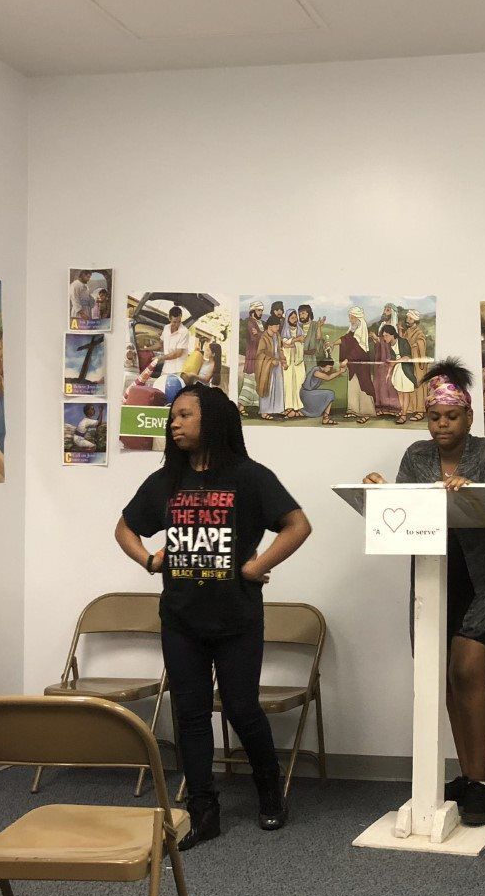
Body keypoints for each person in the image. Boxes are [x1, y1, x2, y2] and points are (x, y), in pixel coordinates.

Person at [117, 384, 312, 848]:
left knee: (242, 708)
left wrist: (257, 565)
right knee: (191, 713)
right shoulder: (167, 479)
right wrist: (148, 559)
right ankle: (203, 809)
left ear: (213, 421)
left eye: (184, 415)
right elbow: (125, 527)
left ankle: (269, 789)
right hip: (181, 618)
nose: (174, 423)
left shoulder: (248, 477)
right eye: (173, 416)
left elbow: (297, 524)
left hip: (236, 619)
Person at [363, 359, 485, 825]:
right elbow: (407, 510)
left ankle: (481, 782)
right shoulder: (416, 454)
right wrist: (383, 491)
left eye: (451, 417)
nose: (442, 424)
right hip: (434, 578)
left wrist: (468, 489)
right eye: (434, 417)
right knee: (443, 675)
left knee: (468, 672)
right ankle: (465, 776)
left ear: (469, 417)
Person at [337, 307, 377, 422]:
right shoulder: (352, 331)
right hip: (352, 364)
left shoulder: (361, 332)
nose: (350, 320)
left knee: (363, 387)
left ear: (358, 318)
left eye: (352, 317)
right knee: (353, 386)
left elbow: (358, 349)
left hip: (361, 365)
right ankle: (352, 410)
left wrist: (346, 360)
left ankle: (366, 412)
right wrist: (333, 343)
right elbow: (345, 340)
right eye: (349, 317)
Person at [256, 316, 286, 421]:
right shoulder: (263, 338)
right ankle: (264, 412)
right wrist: (270, 360)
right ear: (270, 326)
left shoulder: (277, 335)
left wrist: (283, 361)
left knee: (278, 387)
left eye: (278, 325)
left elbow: (280, 350)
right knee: (267, 387)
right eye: (276, 326)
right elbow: (259, 354)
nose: (278, 327)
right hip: (267, 367)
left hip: (277, 366)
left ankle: (277, 409)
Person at [300, 357, 345, 425]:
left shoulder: (319, 370)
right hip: (307, 394)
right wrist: (340, 372)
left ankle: (324, 417)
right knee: (330, 394)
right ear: (325, 365)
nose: (330, 369)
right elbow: (328, 378)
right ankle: (325, 418)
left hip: (308, 393)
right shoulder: (316, 371)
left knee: (328, 393)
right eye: (329, 367)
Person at [281, 308, 306, 417]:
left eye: (296, 317)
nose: (295, 319)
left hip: (298, 361)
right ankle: (288, 407)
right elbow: (284, 343)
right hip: (288, 361)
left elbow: (302, 340)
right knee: (288, 383)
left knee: (299, 382)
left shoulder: (300, 329)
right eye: (292, 318)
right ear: (288, 319)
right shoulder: (284, 330)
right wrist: (295, 340)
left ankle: (298, 407)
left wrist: (292, 341)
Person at [158, 305, 191, 378]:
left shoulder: (184, 332)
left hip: (177, 370)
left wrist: (161, 358)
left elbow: (178, 353)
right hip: (166, 368)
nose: (177, 324)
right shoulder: (166, 328)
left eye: (179, 321)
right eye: (174, 322)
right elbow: (160, 344)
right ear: (169, 318)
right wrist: (144, 349)